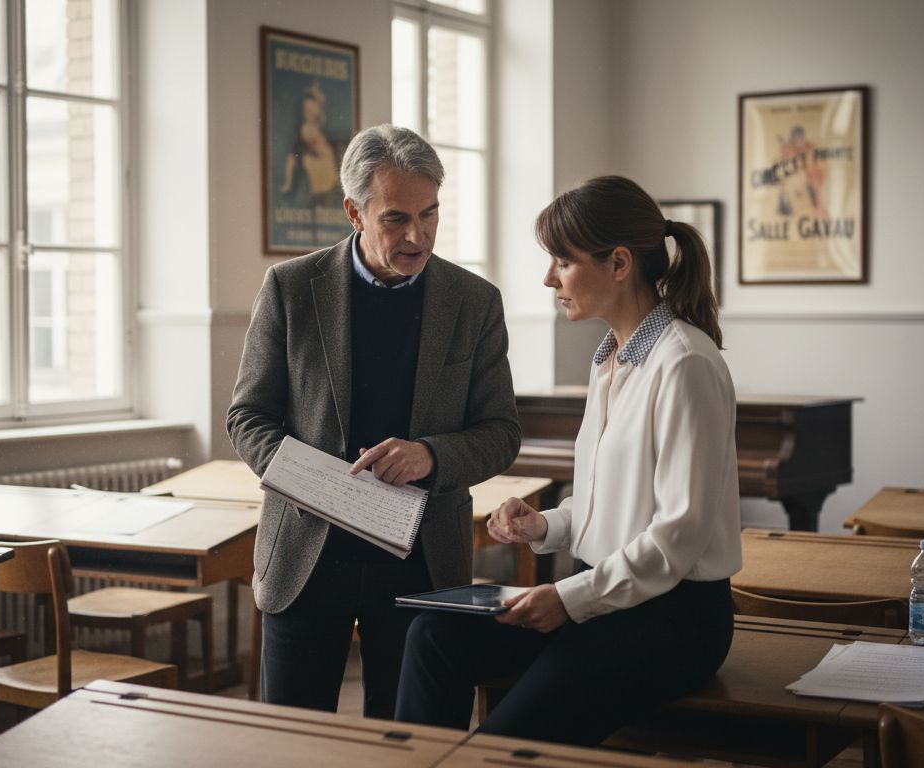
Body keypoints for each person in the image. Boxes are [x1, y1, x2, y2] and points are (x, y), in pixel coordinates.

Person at [394, 175, 741, 746]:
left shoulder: (684, 364)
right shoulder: (610, 360)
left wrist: (569, 600)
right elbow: (611, 503)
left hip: (670, 621)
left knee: (502, 747)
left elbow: (678, 535)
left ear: (620, 263)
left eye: (563, 261)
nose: (549, 278)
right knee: (432, 633)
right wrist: (546, 524)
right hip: (599, 598)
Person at [227, 124, 520, 719]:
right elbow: (248, 415)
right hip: (305, 558)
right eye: (396, 220)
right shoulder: (290, 288)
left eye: (430, 214)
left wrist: (430, 456)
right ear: (354, 213)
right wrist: (313, 482)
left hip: (422, 561)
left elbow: (501, 432)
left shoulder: (475, 301)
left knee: (414, 745)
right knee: (292, 748)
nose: (418, 236)